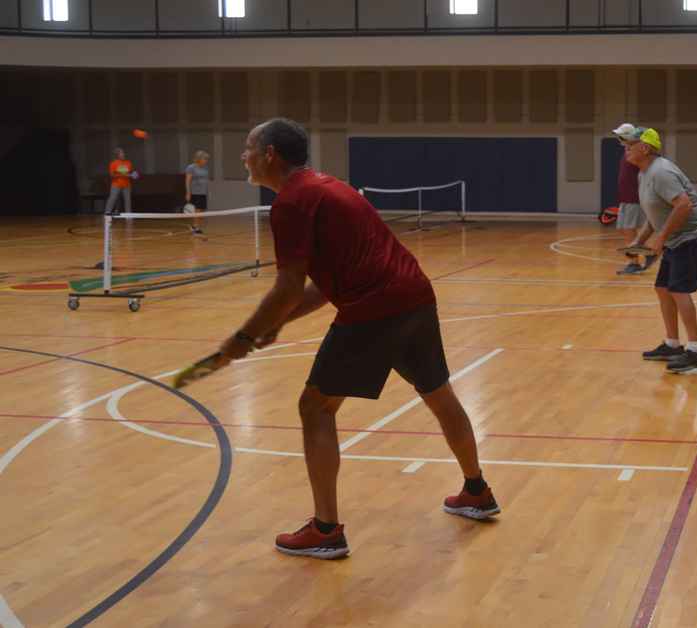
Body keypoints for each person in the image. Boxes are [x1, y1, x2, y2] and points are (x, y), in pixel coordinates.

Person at [216, 118, 500, 560]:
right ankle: (476, 491)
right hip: (414, 296)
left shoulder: (292, 202)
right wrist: (276, 325)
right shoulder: (330, 188)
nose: (244, 156)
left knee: (316, 406)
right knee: (438, 394)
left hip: (376, 308)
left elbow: (289, 286)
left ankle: (326, 529)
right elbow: (327, 285)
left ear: (270, 154)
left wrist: (243, 336)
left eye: (248, 148)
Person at [624, 128, 697, 374]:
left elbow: (683, 205)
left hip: (694, 236)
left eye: (630, 144)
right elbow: (655, 213)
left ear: (644, 148)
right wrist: (640, 239)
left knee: (678, 289)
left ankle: (696, 352)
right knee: (662, 288)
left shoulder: (661, 172)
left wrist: (661, 237)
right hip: (676, 237)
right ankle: (672, 344)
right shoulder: (644, 173)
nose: (625, 147)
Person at [612, 123, 657, 275]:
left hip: (634, 197)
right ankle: (644, 254)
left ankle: (635, 262)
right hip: (625, 197)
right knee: (624, 228)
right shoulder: (627, 151)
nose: (619, 138)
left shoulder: (635, 153)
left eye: (623, 135)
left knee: (629, 228)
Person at [104, 148, 138, 215]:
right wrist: (123, 175)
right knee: (112, 198)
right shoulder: (113, 163)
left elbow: (131, 172)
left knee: (128, 201)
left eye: (123, 153)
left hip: (127, 185)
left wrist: (135, 174)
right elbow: (112, 175)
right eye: (121, 153)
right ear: (117, 155)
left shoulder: (128, 163)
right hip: (116, 185)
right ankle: (107, 212)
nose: (123, 154)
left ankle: (128, 215)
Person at [184, 150, 210, 235]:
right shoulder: (191, 167)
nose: (206, 161)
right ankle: (196, 227)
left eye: (206, 159)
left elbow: (205, 180)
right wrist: (188, 193)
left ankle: (195, 226)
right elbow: (188, 181)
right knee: (197, 210)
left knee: (202, 212)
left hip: (203, 192)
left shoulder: (205, 168)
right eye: (204, 159)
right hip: (195, 192)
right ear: (199, 159)